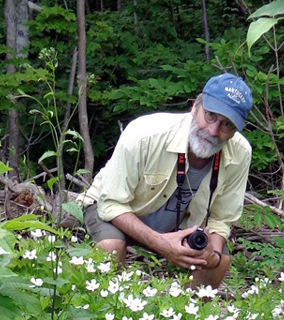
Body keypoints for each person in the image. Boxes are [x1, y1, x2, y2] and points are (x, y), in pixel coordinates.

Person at [81, 73, 253, 288]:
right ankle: (104, 307)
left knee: (219, 263)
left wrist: (214, 256)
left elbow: (222, 219)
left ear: (235, 131)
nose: (213, 131)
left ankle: (188, 315)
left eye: (226, 125)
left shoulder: (241, 153)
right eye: (210, 115)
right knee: (110, 246)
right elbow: (111, 203)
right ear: (195, 107)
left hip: (180, 227)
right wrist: (162, 244)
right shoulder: (144, 134)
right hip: (119, 212)